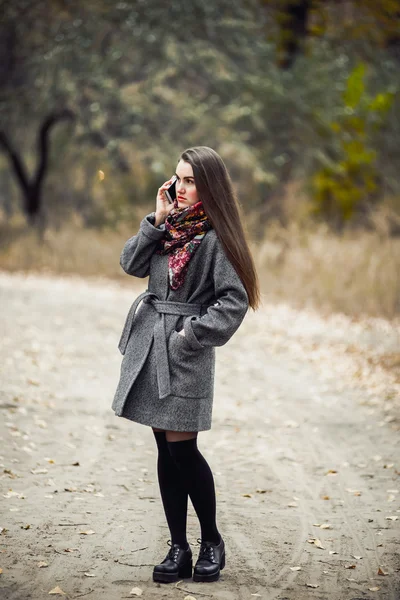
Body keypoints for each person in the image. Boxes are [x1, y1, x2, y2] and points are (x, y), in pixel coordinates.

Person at [111, 146, 260, 584]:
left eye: (190, 180)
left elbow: (234, 301)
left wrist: (189, 337)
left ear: (209, 186)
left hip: (184, 351)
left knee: (183, 450)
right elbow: (130, 263)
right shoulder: (169, 228)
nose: (179, 187)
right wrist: (155, 220)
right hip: (150, 347)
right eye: (177, 178)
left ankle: (211, 540)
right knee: (164, 449)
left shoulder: (216, 238)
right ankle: (178, 547)